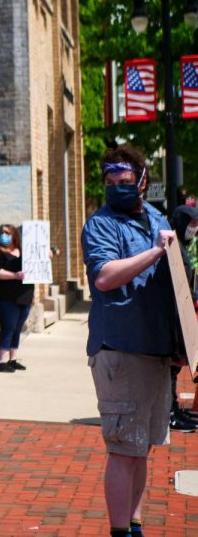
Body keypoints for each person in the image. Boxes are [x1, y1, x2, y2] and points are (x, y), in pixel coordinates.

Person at [81, 144, 181, 537]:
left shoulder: (156, 217)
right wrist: (156, 251)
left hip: (155, 352)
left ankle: (134, 524)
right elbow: (105, 277)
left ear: (142, 181)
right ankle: (119, 531)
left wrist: (178, 344)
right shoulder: (102, 224)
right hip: (121, 350)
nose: (117, 188)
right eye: (110, 182)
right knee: (123, 450)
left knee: (142, 448)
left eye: (125, 182)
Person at [0, 224, 33, 372]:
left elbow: (36, 263)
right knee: (8, 326)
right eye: (1, 232)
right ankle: (1, 361)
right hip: (3, 297)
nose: (3, 235)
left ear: (14, 235)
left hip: (23, 296)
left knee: (17, 328)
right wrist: (14, 276)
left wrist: (50, 254)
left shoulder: (23, 252)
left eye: (7, 233)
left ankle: (12, 359)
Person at [167, 204, 198, 432]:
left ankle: (173, 408)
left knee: (175, 368)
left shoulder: (182, 246)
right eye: (191, 224)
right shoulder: (173, 246)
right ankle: (168, 413)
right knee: (171, 367)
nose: (193, 229)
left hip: (181, 315)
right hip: (172, 318)